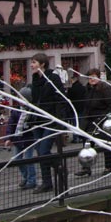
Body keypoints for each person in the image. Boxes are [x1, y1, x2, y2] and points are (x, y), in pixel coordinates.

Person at [28, 52, 66, 194]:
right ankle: (47, 182)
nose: (31, 65)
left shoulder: (53, 78)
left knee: (44, 150)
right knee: (40, 151)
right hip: (38, 120)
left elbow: (60, 98)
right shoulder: (35, 80)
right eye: (32, 62)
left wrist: (59, 120)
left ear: (42, 64)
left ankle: (59, 167)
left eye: (34, 62)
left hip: (51, 120)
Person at [75, 69, 111, 177]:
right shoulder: (88, 89)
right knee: (87, 143)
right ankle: (86, 167)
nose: (91, 79)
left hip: (101, 119)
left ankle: (108, 166)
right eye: (89, 77)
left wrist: (104, 115)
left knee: (104, 143)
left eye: (93, 77)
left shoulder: (104, 88)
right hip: (89, 119)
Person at [4, 87, 36, 190]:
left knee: (28, 159)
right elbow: (11, 124)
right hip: (18, 138)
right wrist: (9, 137)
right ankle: (26, 176)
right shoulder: (16, 111)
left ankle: (32, 180)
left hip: (28, 138)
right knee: (18, 159)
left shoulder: (32, 111)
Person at [67, 72, 86, 143]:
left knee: (75, 123)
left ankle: (76, 137)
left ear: (72, 80)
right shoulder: (83, 88)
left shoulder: (71, 89)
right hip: (82, 107)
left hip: (74, 108)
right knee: (81, 122)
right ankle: (82, 136)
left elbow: (69, 98)